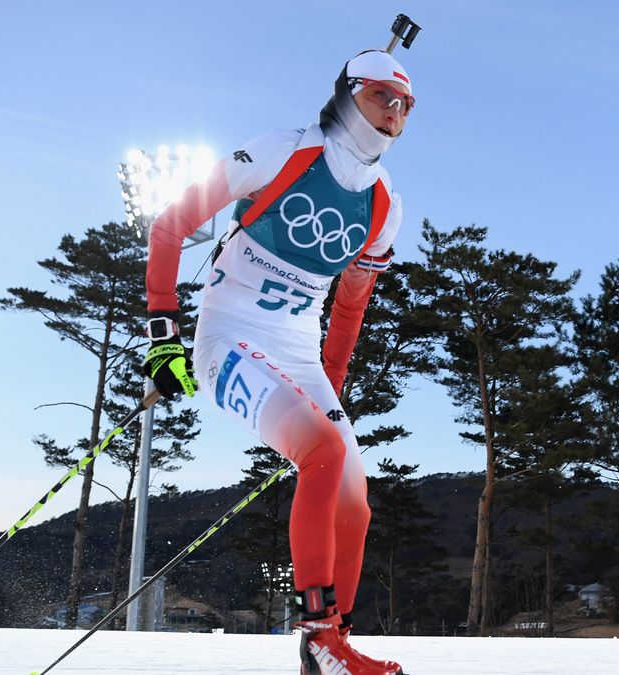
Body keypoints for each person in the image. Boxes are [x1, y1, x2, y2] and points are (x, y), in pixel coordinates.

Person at [141, 49, 415, 675]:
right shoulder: (282, 151)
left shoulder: (384, 205)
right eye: (380, 96)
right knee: (322, 450)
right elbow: (171, 222)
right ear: (347, 94)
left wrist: (330, 389)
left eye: (405, 105)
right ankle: (317, 635)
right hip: (228, 339)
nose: (393, 112)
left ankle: (333, 646)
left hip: (297, 352)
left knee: (355, 502)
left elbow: (349, 308)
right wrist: (164, 335)